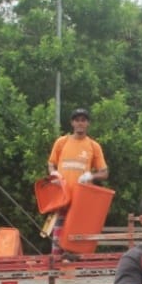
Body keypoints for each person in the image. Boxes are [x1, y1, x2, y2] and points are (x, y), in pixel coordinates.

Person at [47, 108, 109, 253]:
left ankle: (71, 272)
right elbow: (51, 163)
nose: (80, 123)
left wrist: (91, 176)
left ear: (88, 123)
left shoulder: (93, 146)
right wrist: (54, 174)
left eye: (83, 120)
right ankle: (56, 272)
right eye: (77, 120)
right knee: (57, 242)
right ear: (72, 123)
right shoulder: (61, 142)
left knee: (74, 242)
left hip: (81, 202)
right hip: (62, 199)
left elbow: (105, 172)